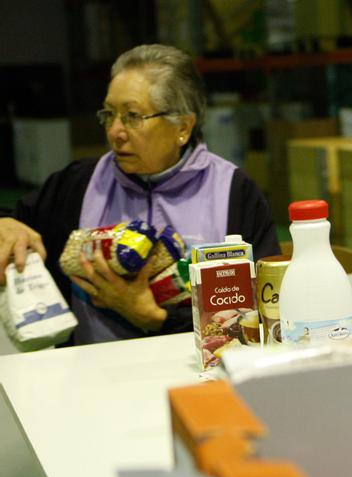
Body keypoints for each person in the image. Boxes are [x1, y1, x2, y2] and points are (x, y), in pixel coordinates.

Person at [0, 44, 280, 344]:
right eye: (109, 114)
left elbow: (264, 314)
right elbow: (16, 220)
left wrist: (153, 317)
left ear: (182, 127)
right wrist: (6, 224)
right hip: (89, 379)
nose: (114, 131)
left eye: (132, 116)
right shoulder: (79, 185)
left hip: (199, 377)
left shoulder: (234, 193)